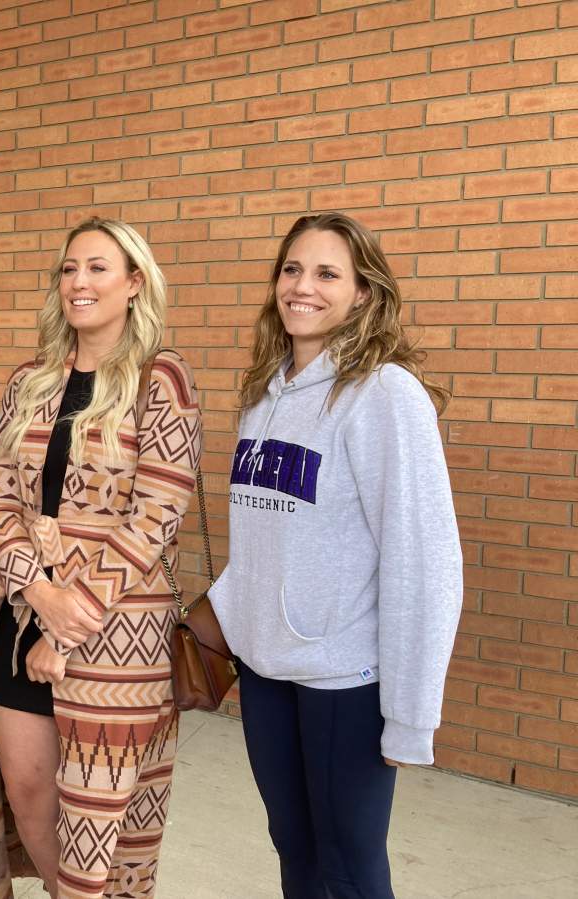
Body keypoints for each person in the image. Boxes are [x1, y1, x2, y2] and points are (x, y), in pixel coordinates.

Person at [209, 212, 463, 899]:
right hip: (267, 673)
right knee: (295, 849)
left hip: (345, 682)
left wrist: (410, 714)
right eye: (292, 268)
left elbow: (427, 563)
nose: (303, 286)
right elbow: (263, 545)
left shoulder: (384, 394)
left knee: (349, 866)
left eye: (327, 273)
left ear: (363, 293)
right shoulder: (264, 397)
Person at [0, 217, 202, 899]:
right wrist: (39, 597)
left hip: (119, 633)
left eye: (99, 268)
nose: (80, 282)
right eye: (70, 269)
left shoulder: (164, 382)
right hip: (23, 611)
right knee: (28, 790)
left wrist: (71, 621)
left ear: (134, 283)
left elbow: (156, 515)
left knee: (96, 814)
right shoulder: (30, 382)